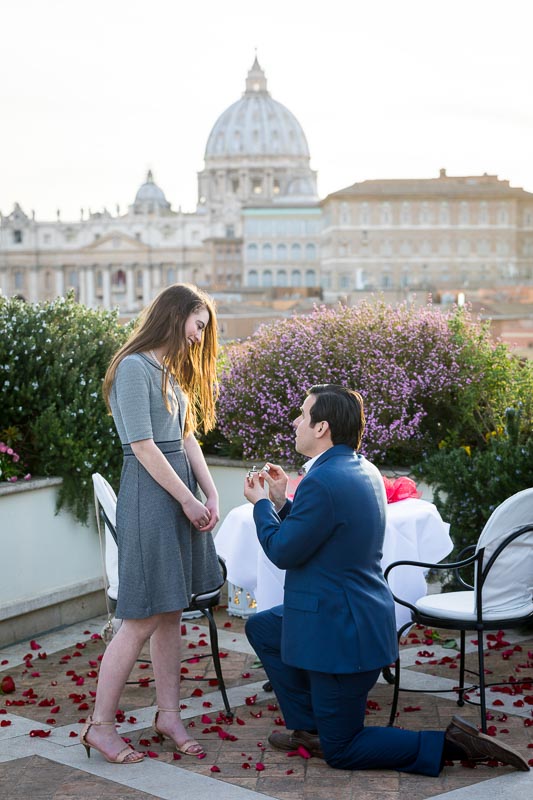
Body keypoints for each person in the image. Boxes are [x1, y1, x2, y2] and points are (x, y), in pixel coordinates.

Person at [244, 384, 529, 775]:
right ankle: (311, 729)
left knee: (344, 749)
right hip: (353, 615)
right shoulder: (360, 468)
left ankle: (452, 744)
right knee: (263, 627)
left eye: (302, 414)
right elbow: (323, 527)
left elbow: (282, 551)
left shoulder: (323, 481)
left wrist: (261, 506)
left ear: (322, 427)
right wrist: (281, 502)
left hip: (339, 633)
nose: (295, 421)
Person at [80, 283, 223, 764]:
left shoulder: (170, 373)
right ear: (175, 315)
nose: (201, 337)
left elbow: (186, 438)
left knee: (169, 614)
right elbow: (142, 447)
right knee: (140, 618)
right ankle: (100, 726)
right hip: (151, 500)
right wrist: (187, 499)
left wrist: (211, 491)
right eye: (198, 325)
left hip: (176, 499)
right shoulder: (134, 368)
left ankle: (168, 714)